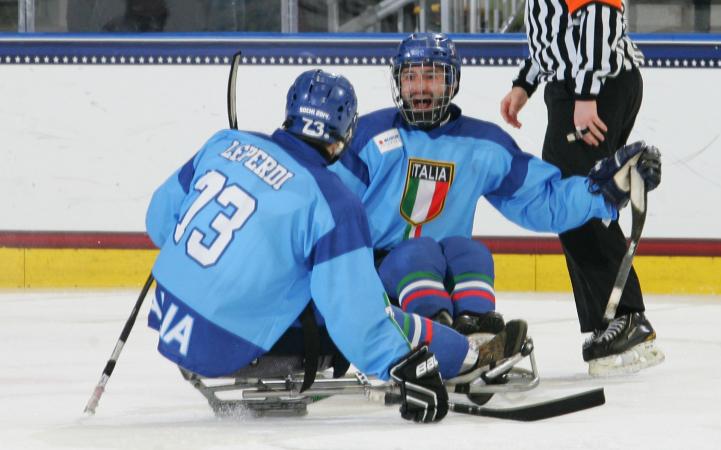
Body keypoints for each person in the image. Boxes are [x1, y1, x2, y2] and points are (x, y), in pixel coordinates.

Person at [144, 69, 528, 423]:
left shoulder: (224, 144)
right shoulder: (334, 202)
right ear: (346, 134)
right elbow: (357, 322)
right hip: (231, 347)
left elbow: (159, 222)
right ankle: (468, 352)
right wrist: (414, 363)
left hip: (170, 321)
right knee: (373, 310)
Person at [330, 32, 662, 375]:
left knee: (470, 252)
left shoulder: (482, 144)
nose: (420, 88)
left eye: (432, 76)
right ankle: (436, 339)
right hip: (376, 279)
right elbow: (325, 207)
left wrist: (603, 190)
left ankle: (476, 336)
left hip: (437, 275)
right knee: (419, 252)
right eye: (410, 76)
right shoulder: (366, 135)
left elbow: (542, 200)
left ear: (452, 82)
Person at [499, 1, 664, 375]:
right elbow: (556, 33)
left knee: (573, 200)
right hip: (584, 83)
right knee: (576, 200)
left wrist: (586, 93)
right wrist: (526, 82)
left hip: (592, 85)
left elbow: (599, 12)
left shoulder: (587, 84)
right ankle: (611, 320)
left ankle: (625, 315)